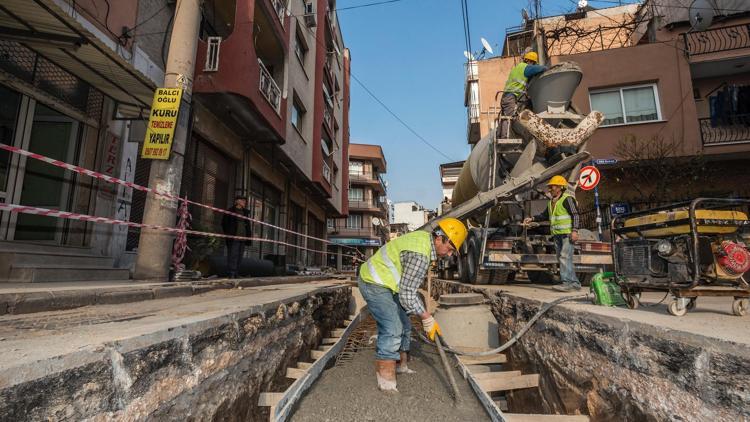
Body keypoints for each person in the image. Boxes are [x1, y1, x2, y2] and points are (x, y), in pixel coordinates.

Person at [358, 217, 468, 392]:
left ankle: (401, 365)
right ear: (439, 238)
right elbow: (407, 294)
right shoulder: (420, 255)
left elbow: (407, 291)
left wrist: (422, 314)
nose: (449, 254)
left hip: (389, 284)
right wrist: (426, 317)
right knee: (393, 328)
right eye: (450, 248)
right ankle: (386, 382)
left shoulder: (424, 241)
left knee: (405, 323)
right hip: (374, 281)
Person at [523, 175, 581, 292]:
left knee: (565, 257)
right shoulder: (551, 202)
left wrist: (574, 231)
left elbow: (575, 215)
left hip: (567, 234)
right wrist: (532, 218)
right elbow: (544, 215)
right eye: (549, 187)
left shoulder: (567, 199)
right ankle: (574, 283)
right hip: (557, 234)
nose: (550, 189)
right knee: (563, 258)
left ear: (560, 187)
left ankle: (567, 283)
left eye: (552, 186)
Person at [499, 51, 547, 138]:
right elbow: (541, 68)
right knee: (508, 117)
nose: (533, 65)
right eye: (533, 63)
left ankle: (502, 134)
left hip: (509, 96)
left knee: (506, 117)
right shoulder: (526, 68)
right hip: (510, 96)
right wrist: (547, 68)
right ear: (530, 61)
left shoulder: (518, 67)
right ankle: (505, 137)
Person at [221, 195, 252, 279]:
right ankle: (231, 273)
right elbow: (224, 223)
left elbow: (247, 225)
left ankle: (236, 273)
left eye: (245, 201)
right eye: (243, 201)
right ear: (237, 201)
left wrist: (248, 236)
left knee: (239, 256)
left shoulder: (245, 212)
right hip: (234, 237)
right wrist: (229, 234)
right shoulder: (230, 211)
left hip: (243, 237)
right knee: (233, 255)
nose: (244, 202)